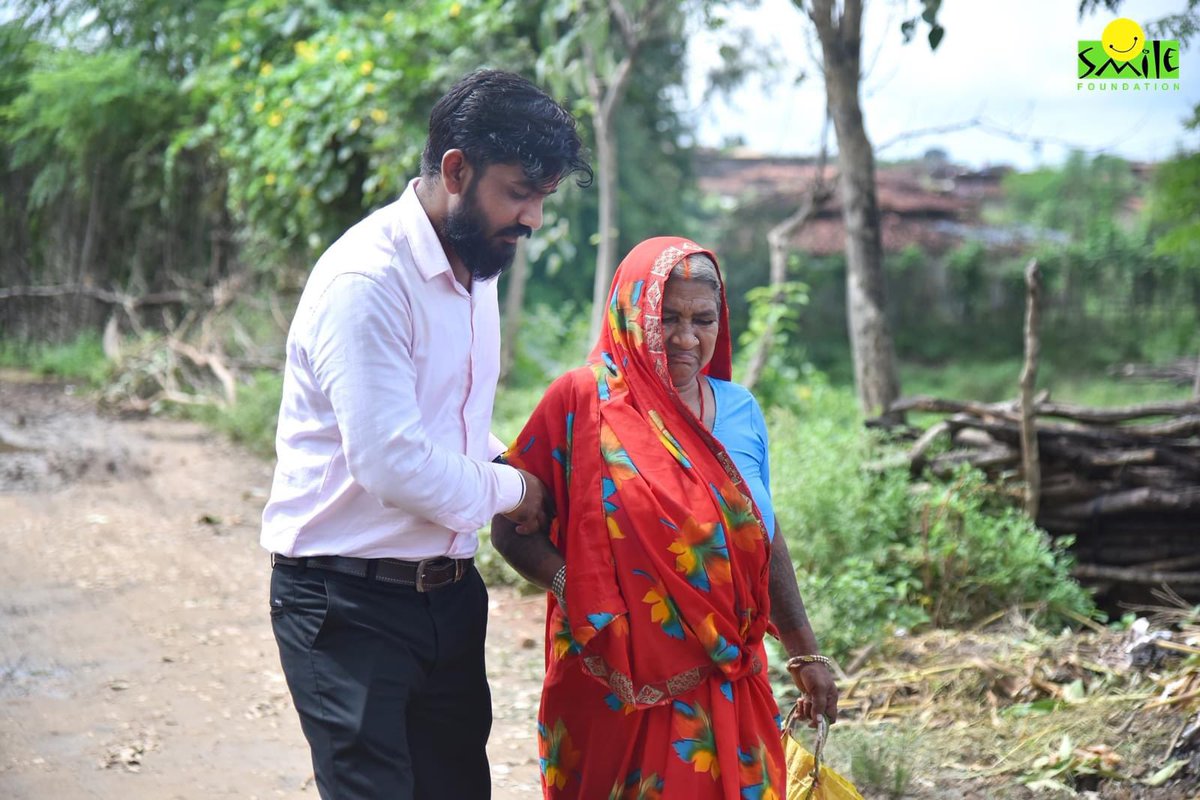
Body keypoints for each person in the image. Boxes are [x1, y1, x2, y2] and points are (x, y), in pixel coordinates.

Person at [261, 69, 591, 800]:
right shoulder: (367, 280)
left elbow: (448, 422)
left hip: (447, 595)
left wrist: (512, 461)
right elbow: (391, 462)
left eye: (543, 197)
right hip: (344, 602)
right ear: (456, 169)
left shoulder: (477, 266)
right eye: (519, 192)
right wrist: (514, 488)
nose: (533, 218)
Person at [492, 236, 839, 798]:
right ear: (630, 314)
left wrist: (803, 649)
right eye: (667, 317)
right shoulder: (581, 401)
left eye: (703, 320)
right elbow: (509, 527)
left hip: (729, 678)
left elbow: (761, 534)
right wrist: (574, 586)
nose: (685, 337)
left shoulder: (740, 410)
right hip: (614, 686)